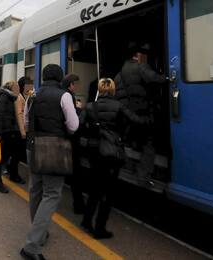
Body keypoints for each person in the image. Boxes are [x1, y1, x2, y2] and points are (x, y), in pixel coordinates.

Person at [21, 64, 79, 260]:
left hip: (33, 146)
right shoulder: (64, 96)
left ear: (43, 77)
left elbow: (27, 123)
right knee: (52, 193)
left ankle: (40, 233)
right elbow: (73, 125)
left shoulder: (32, 95)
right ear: (60, 77)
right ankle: (32, 245)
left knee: (35, 190)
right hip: (54, 148)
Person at [79, 78, 147, 239]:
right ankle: (100, 228)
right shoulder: (119, 106)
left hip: (94, 151)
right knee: (108, 193)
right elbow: (136, 121)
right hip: (112, 152)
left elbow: (79, 125)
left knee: (95, 189)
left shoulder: (89, 107)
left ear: (99, 90)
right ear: (113, 90)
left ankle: (86, 221)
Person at [114, 42, 166, 184]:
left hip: (128, 114)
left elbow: (117, 94)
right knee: (149, 144)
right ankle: (143, 177)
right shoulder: (140, 67)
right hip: (142, 113)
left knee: (132, 141)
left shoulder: (120, 73)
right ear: (137, 55)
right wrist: (168, 77)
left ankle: (128, 167)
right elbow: (154, 78)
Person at [61, 74, 85, 214]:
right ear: (71, 85)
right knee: (76, 173)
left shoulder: (63, 95)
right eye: (77, 84)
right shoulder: (68, 96)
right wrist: (80, 109)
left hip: (63, 140)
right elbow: (73, 124)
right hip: (71, 141)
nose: (78, 87)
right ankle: (78, 205)